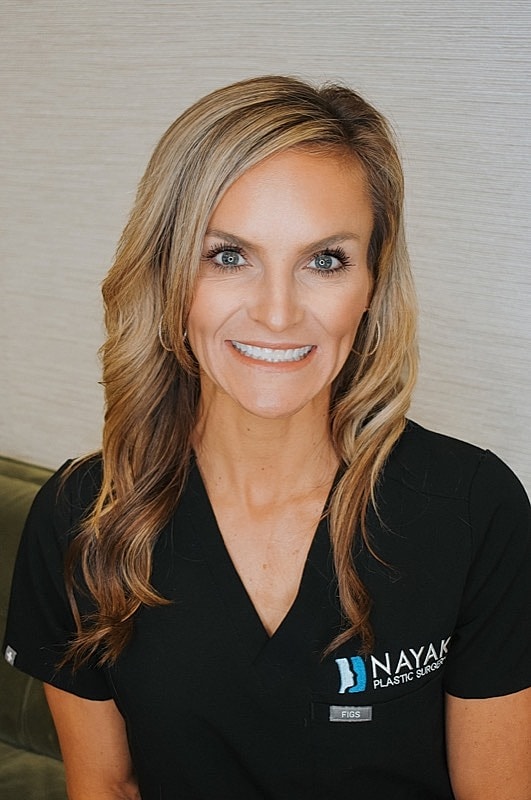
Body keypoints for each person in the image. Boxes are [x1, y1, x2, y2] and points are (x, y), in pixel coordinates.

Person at [3, 75, 530, 800]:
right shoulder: (79, 518)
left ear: (371, 282)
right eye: (227, 256)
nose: (277, 314)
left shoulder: (474, 508)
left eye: (324, 260)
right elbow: (107, 786)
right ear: (167, 271)